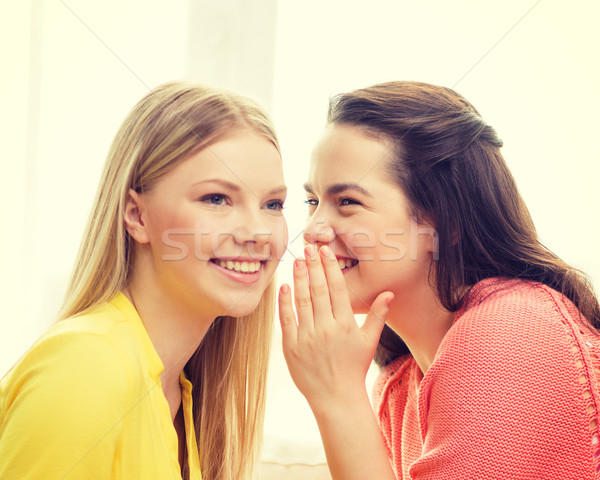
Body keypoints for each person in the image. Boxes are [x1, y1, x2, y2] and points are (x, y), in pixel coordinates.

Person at [278, 81, 600, 479]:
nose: (312, 230)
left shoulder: (513, 333)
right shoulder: (398, 384)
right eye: (313, 202)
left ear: (443, 223)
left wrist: (338, 395)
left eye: (348, 202)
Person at [0, 81, 288, 480]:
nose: (257, 230)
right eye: (216, 199)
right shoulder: (87, 365)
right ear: (136, 215)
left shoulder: (182, 395)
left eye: (272, 204)